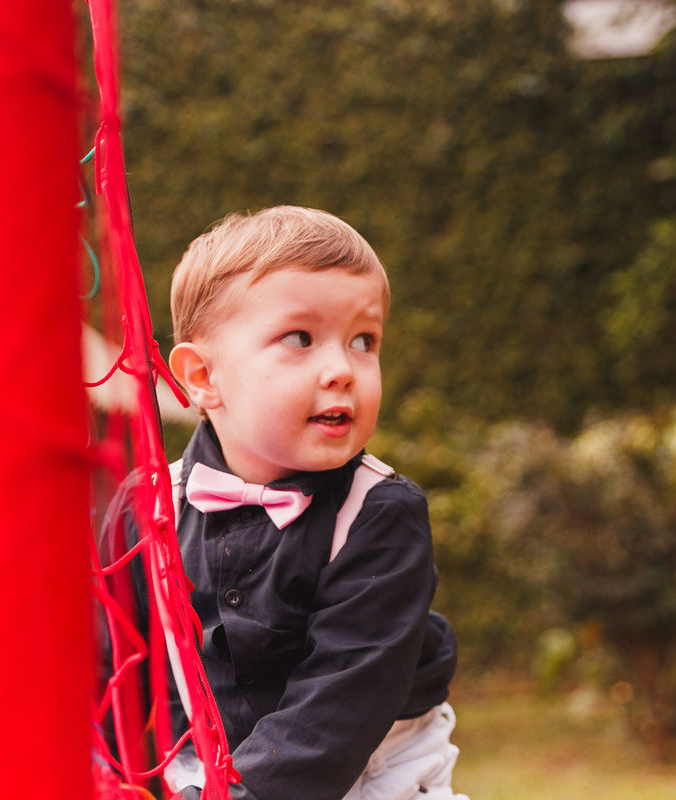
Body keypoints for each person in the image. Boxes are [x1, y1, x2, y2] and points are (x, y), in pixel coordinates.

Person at [102, 206, 465, 800]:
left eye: (364, 341)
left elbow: (342, 705)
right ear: (202, 377)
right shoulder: (148, 509)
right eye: (300, 338)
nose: (342, 370)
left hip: (370, 774)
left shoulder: (379, 513)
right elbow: (109, 666)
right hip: (202, 769)